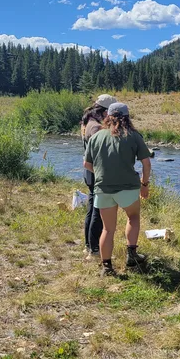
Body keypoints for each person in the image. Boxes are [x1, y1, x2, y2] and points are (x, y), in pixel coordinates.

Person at [84, 102, 151, 277]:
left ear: (108, 116)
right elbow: (146, 163)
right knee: (133, 217)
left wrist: (102, 174)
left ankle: (107, 267)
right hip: (128, 187)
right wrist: (144, 185)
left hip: (103, 188)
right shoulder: (133, 135)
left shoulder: (96, 137)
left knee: (107, 229)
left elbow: (87, 164)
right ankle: (132, 255)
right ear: (127, 117)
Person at [80, 94, 117, 258]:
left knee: (91, 208)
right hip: (96, 170)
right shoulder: (96, 127)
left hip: (89, 170)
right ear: (105, 111)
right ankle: (94, 249)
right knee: (98, 210)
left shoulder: (87, 122)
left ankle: (89, 246)